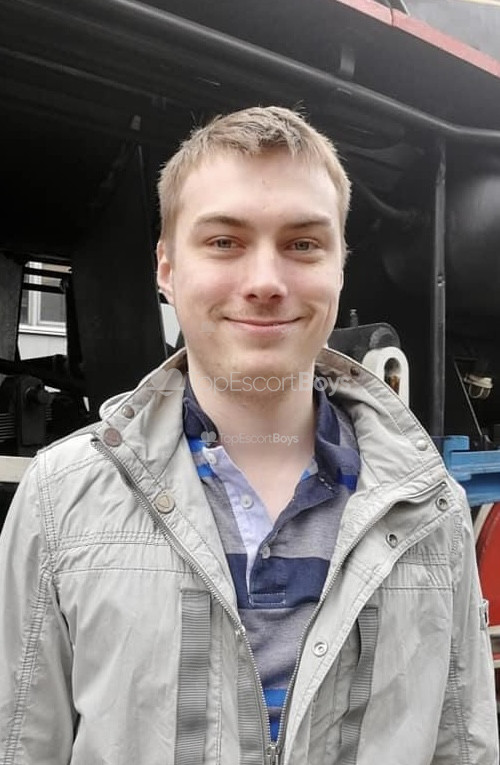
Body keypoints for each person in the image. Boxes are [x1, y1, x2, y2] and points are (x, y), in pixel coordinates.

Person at [0, 106, 497, 765]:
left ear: (339, 267)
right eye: (224, 242)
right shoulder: (59, 499)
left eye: (303, 244)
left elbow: (463, 748)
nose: (265, 282)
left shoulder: (432, 512)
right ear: (166, 268)